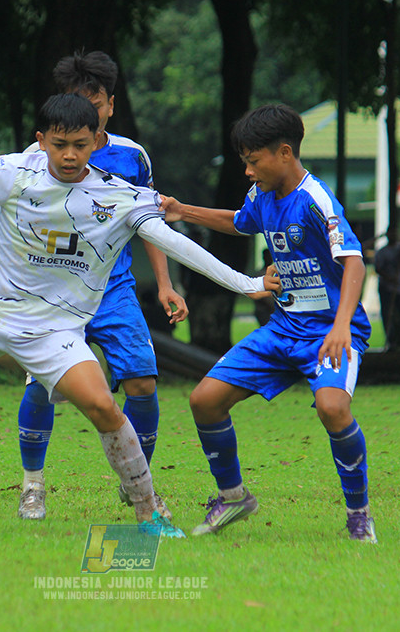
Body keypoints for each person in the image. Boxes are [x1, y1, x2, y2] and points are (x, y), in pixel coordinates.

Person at [0, 93, 272, 537]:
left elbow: (179, 246)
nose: (70, 155)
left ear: (96, 140)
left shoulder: (120, 198)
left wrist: (247, 284)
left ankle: (149, 511)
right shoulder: (14, 172)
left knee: (103, 406)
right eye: (59, 145)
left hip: (55, 329)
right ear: (41, 141)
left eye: (79, 144)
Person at [0, 51, 188, 522]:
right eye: (75, 103)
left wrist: (164, 284)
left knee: (143, 382)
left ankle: (137, 481)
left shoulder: (132, 157)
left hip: (113, 290)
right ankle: (32, 487)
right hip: (50, 291)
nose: (85, 116)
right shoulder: (34, 157)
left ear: (110, 106)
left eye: (94, 106)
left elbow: (149, 220)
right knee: (41, 386)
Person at [160, 103, 377, 542]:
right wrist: (184, 211)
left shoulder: (316, 199)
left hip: (330, 332)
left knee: (334, 409)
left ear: (284, 153)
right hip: (284, 329)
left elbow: (354, 260)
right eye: (245, 161)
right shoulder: (261, 196)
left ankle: (359, 515)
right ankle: (234, 497)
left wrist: (341, 326)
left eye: (253, 161)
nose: (247, 171)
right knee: (204, 401)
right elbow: (241, 223)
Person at [374, 226, 400, 352]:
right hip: (386, 288)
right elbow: (378, 269)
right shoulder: (382, 252)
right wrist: (390, 278)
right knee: (387, 315)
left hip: (399, 289)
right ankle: (391, 341)